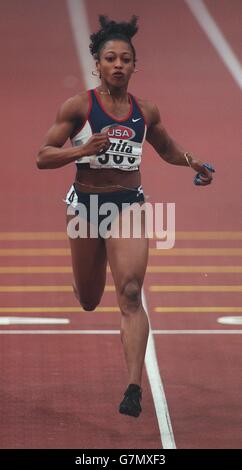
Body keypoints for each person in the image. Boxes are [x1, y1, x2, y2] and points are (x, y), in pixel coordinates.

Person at [37, 15, 214, 418]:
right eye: (110, 59)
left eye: (126, 59)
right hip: (85, 208)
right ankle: (83, 281)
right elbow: (42, 156)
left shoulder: (145, 112)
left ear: (135, 66)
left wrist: (193, 163)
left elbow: (167, 149)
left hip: (128, 206)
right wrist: (80, 151)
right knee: (88, 299)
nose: (118, 65)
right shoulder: (79, 106)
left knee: (131, 292)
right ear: (97, 64)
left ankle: (133, 388)